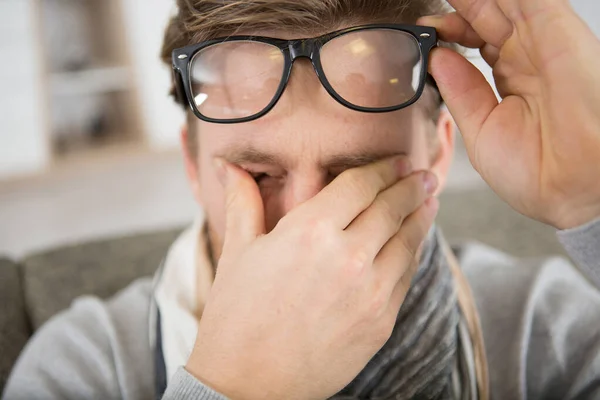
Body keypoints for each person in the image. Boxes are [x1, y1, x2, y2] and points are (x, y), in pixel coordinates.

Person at [4, 0, 600, 398]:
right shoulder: (85, 366)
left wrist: (592, 203)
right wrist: (235, 385)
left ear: (439, 157)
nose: (310, 228)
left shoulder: (543, 329)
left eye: (355, 178)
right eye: (259, 177)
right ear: (192, 164)